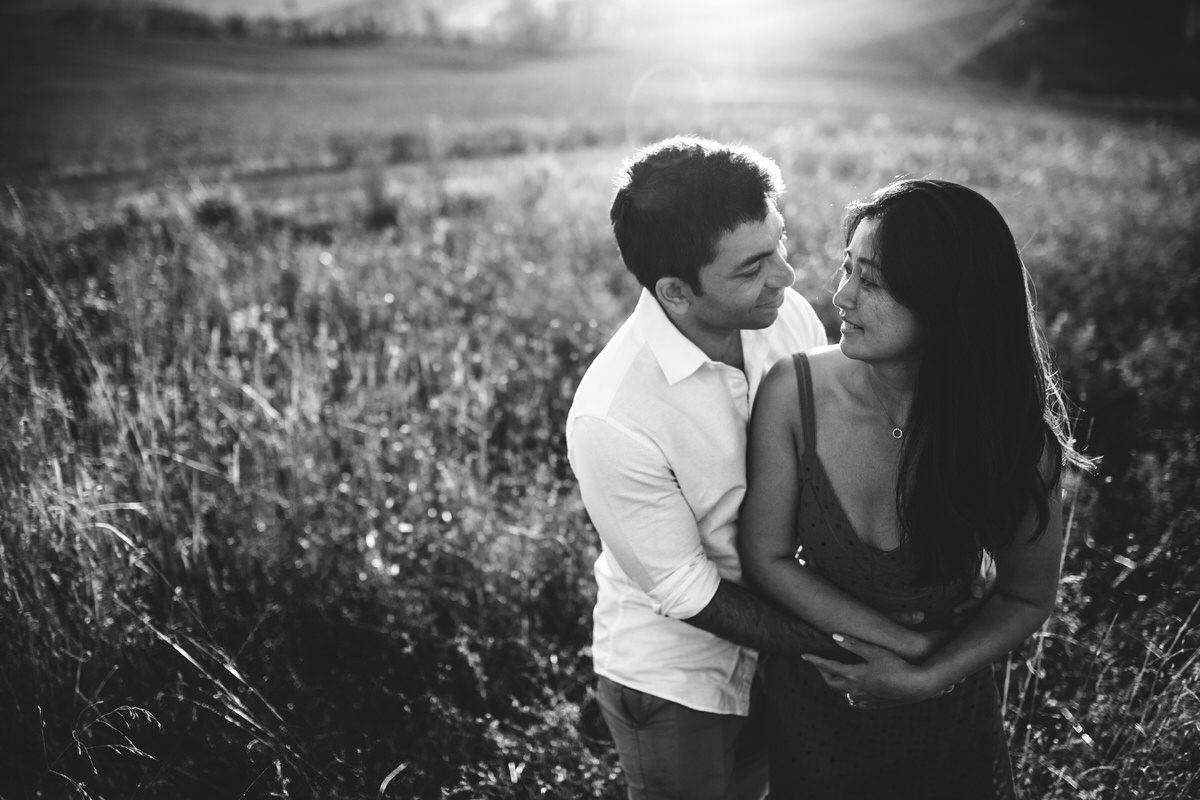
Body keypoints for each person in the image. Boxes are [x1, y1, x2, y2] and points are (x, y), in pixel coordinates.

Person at [739, 178, 1091, 799]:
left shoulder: (1009, 438)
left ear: (947, 301)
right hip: (816, 702)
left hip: (945, 707)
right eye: (847, 268)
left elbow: (1028, 596)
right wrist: (905, 642)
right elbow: (766, 559)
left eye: (870, 281)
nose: (840, 295)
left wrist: (926, 677)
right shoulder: (794, 393)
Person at [565, 136, 864, 800]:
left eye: (779, 245)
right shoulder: (613, 415)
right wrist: (838, 639)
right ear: (675, 292)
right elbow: (686, 592)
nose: (786, 278)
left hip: (777, 647)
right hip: (674, 676)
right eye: (753, 266)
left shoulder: (785, 318)